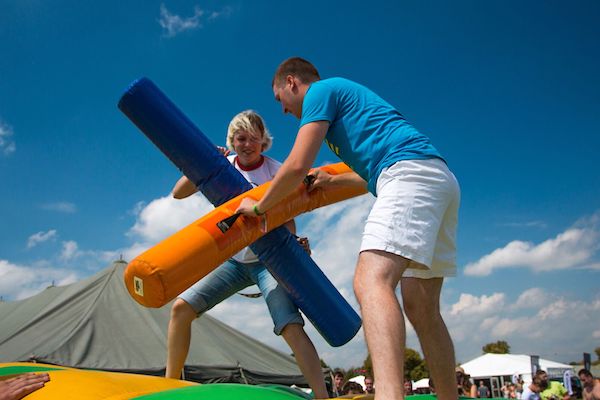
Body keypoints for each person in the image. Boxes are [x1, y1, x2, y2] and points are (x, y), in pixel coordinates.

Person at [236, 57, 460, 400]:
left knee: (370, 280)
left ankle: (387, 395)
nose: (282, 110)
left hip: (409, 175)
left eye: (279, 99)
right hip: (437, 178)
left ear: (292, 82)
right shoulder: (349, 105)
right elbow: (370, 175)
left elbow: (297, 165)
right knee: (421, 307)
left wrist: (260, 206)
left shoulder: (320, 92)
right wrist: (332, 180)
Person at [165, 110, 328, 399]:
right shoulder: (223, 165)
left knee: (289, 325)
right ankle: (168, 387)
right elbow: (178, 193)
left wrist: (295, 244)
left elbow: (289, 215)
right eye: (241, 138)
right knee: (180, 310)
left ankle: (323, 396)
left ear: (263, 141)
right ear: (232, 140)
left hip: (270, 260)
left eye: (254, 139)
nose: (248, 144)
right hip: (234, 260)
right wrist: (202, 162)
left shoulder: (277, 171)